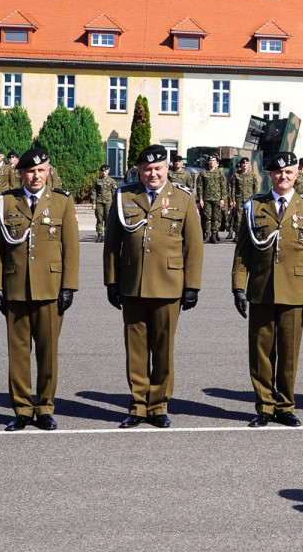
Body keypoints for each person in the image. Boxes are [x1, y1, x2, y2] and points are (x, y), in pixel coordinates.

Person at [103, 144, 203, 428]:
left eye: (158, 168)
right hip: (132, 285)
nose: (152, 174)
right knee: (135, 350)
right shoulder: (125, 195)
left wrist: (192, 285)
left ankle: (158, 405)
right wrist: (111, 281)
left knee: (162, 349)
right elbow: (112, 243)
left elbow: (193, 247)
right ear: (139, 170)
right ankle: (137, 405)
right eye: (147, 169)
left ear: (167, 168)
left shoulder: (183, 198)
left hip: (170, 286)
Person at [231, 151, 303, 427]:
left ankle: (285, 406)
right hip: (261, 290)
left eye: (288, 172)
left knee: (288, 353)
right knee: (261, 353)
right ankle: (264, 407)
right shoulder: (254, 206)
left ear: (297, 174)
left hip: (295, 292)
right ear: (270, 175)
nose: (282, 177)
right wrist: (238, 287)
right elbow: (242, 254)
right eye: (277, 173)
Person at [0, 148, 80, 431]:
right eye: (30, 171)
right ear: (21, 173)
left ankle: (44, 407)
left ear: (49, 171)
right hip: (15, 286)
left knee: (48, 351)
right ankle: (21, 409)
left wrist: (69, 287)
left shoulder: (62, 202)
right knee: (18, 352)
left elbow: (71, 248)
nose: (36, 176)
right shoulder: (6, 202)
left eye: (41, 170)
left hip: (51, 288)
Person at [195, 154, 228, 244]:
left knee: (216, 218)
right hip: (207, 199)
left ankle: (214, 234)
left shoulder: (220, 173)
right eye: (210, 160)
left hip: (217, 199)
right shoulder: (203, 173)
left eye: (213, 160)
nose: (211, 162)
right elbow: (199, 187)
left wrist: (223, 199)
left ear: (217, 162)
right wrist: (200, 198)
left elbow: (223, 187)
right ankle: (208, 234)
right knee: (207, 217)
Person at [228, 157, 257, 240]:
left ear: (249, 165)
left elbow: (255, 187)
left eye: (246, 163)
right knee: (238, 218)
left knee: (249, 217)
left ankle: (248, 234)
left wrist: (254, 198)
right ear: (241, 165)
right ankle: (237, 235)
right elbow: (232, 188)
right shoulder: (236, 175)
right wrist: (232, 200)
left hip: (249, 199)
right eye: (243, 163)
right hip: (238, 200)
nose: (245, 165)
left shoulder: (252, 175)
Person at [91, 164, 117, 243]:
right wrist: (93, 203)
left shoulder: (112, 181)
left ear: (108, 171)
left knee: (108, 219)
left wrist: (114, 203)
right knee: (99, 218)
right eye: (102, 171)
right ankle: (99, 235)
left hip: (109, 202)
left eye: (105, 171)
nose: (104, 173)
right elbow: (93, 192)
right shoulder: (97, 181)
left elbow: (114, 192)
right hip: (99, 202)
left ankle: (107, 235)